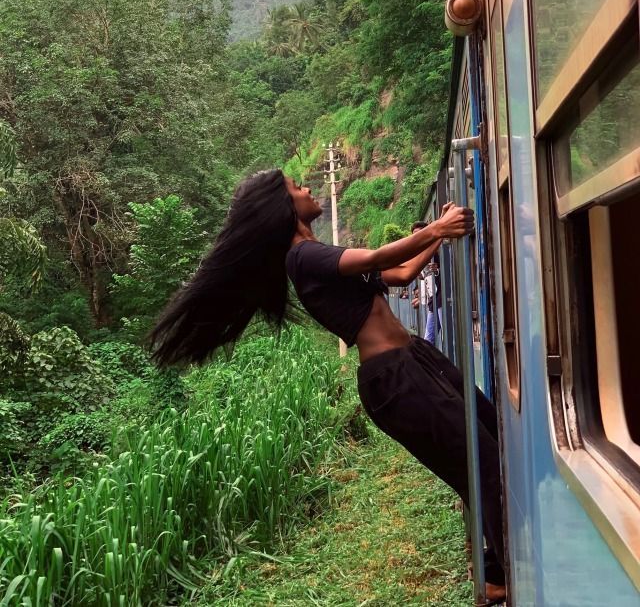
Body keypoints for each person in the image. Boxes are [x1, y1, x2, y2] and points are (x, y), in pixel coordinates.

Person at [150, 170, 506, 604]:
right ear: (285, 208)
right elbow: (377, 257)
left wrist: (439, 234)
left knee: (489, 440)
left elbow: (401, 275)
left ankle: (491, 564)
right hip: (394, 379)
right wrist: (436, 228)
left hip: (413, 359)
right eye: (297, 188)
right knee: (481, 463)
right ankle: (496, 575)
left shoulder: (317, 253)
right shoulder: (301, 258)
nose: (307, 190)